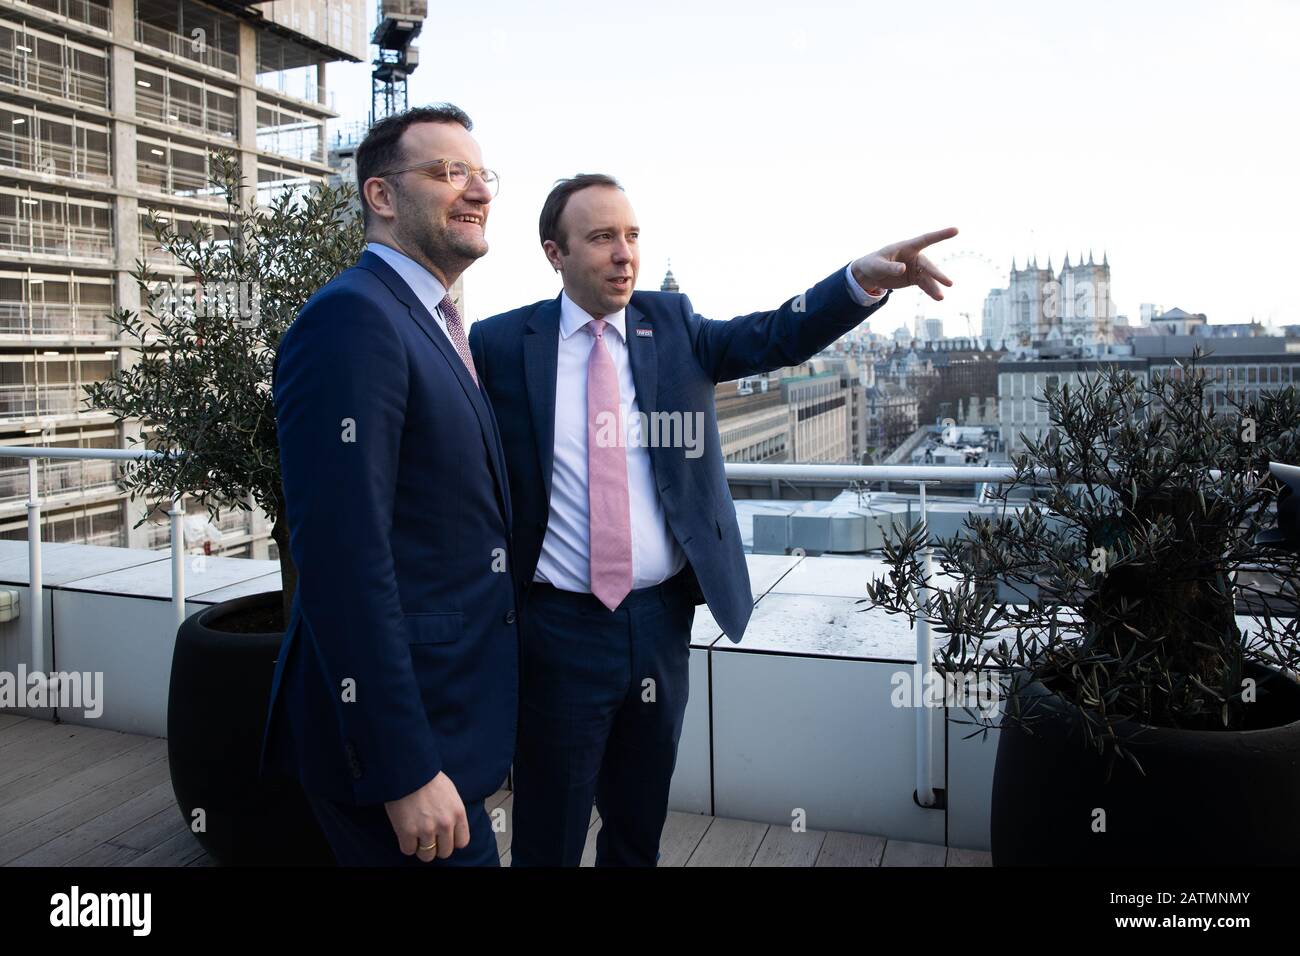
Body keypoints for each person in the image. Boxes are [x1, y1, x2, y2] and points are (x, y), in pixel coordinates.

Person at [468, 172, 956, 866]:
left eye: (632, 236)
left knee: (638, 820)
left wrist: (859, 280)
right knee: (549, 826)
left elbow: (775, 336)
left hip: (660, 622)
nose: (623, 254)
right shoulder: (500, 344)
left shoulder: (671, 325)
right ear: (555, 252)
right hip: (558, 629)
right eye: (602, 237)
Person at [262, 104, 516, 866]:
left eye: (481, 174)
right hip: (399, 757)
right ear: (380, 196)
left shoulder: (430, 320)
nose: (476, 190)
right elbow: (342, 558)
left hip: (445, 727)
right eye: (448, 172)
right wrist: (402, 764)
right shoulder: (353, 319)